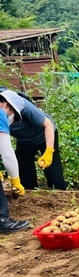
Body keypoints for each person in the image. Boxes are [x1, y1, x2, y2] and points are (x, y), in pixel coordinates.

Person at [0, 89, 66, 190]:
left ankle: (61, 196)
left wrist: (49, 151)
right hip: (24, 140)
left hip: (44, 136)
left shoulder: (23, 105)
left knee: (53, 172)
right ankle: (30, 197)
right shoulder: (2, 115)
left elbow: (48, 125)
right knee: (24, 172)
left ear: (6, 104)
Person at [0, 94, 29, 233]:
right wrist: (15, 179)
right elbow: (7, 152)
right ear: (5, 104)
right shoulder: (0, 113)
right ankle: (2, 220)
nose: (11, 118)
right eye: (12, 113)